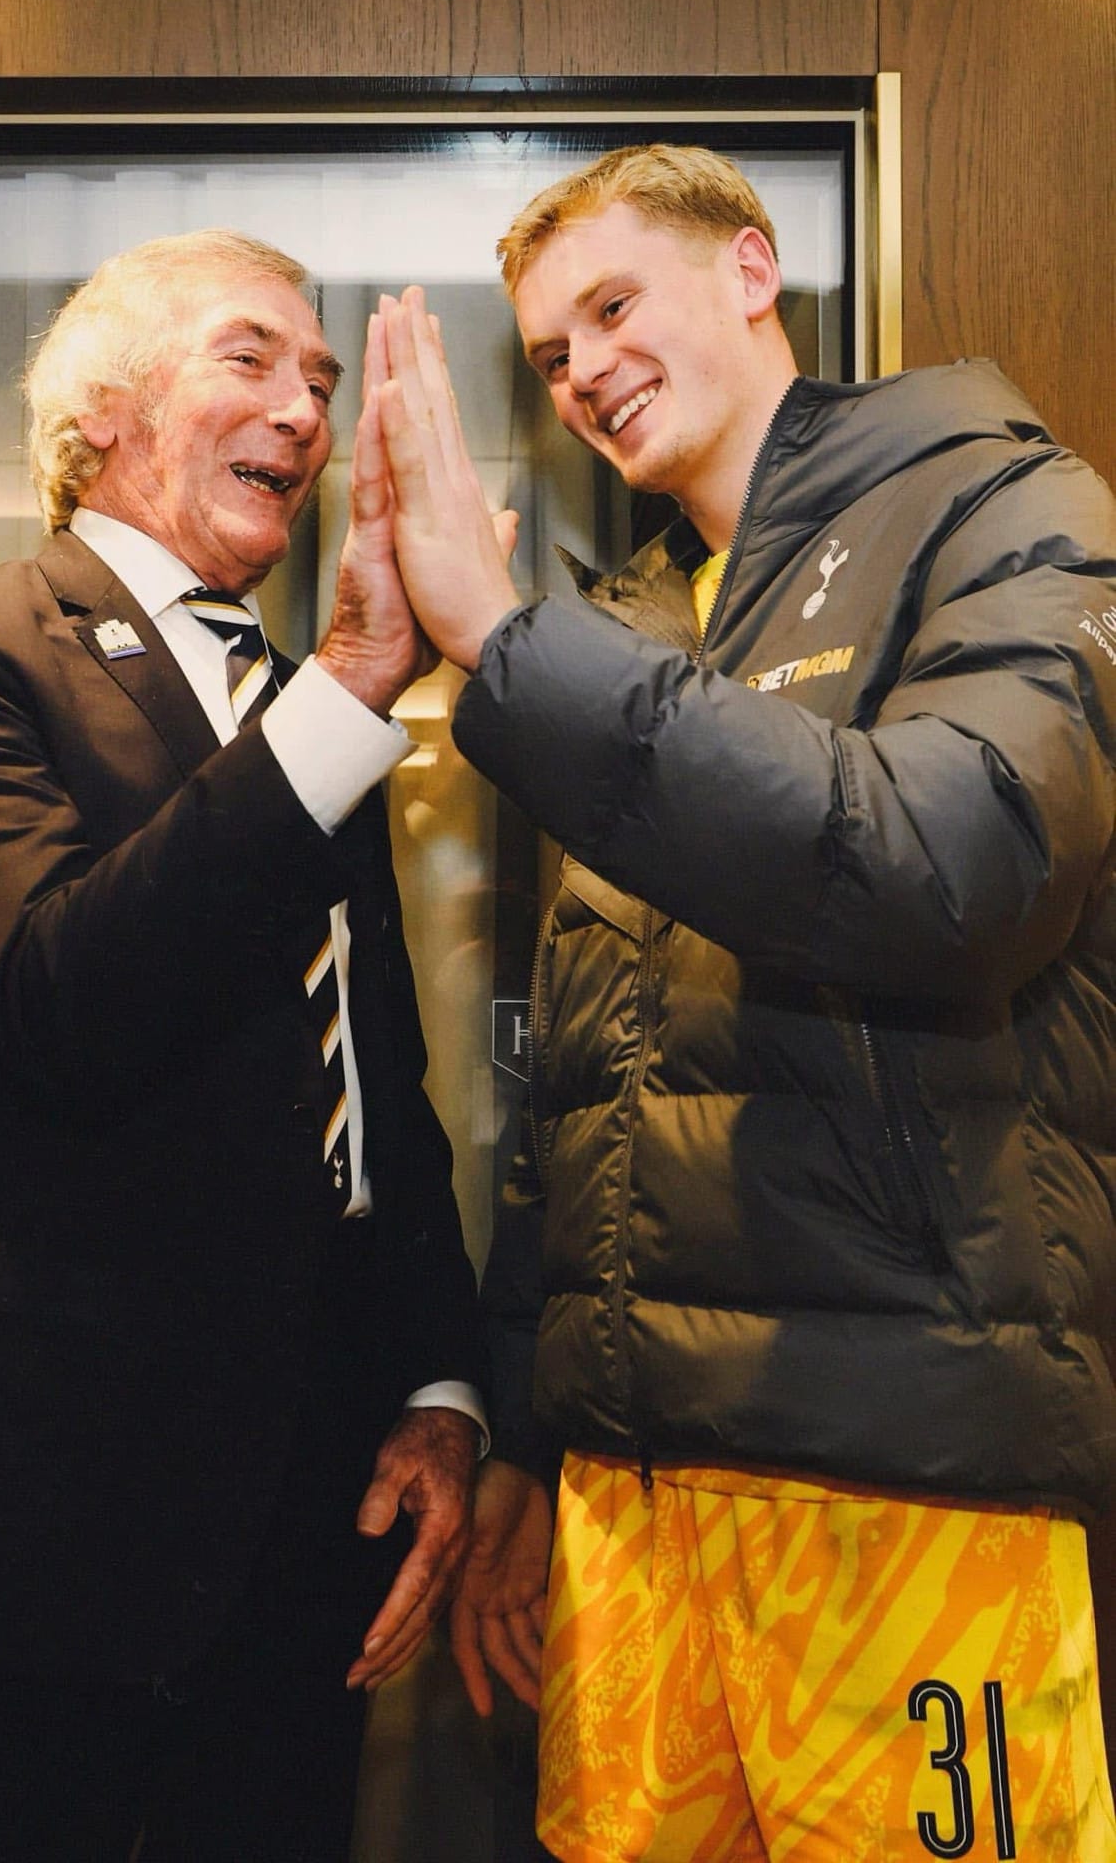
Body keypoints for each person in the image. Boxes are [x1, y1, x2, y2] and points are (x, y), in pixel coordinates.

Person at [361, 146, 1116, 1859]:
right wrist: (524, 1439)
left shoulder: (1005, 507)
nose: (585, 369)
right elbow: (579, 1090)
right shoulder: (624, 619)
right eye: (550, 352)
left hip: (904, 1468)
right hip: (628, 1496)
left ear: (753, 270)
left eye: (612, 304)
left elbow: (957, 872)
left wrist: (508, 643)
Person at [0, 227, 489, 1863]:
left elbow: (364, 1084)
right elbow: (65, 997)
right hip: (42, 1521)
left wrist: (437, 1382)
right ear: (99, 409)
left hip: (306, 1524)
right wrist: (354, 683)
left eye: (322, 380)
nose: (304, 410)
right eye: (251, 357)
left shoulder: (300, 705)